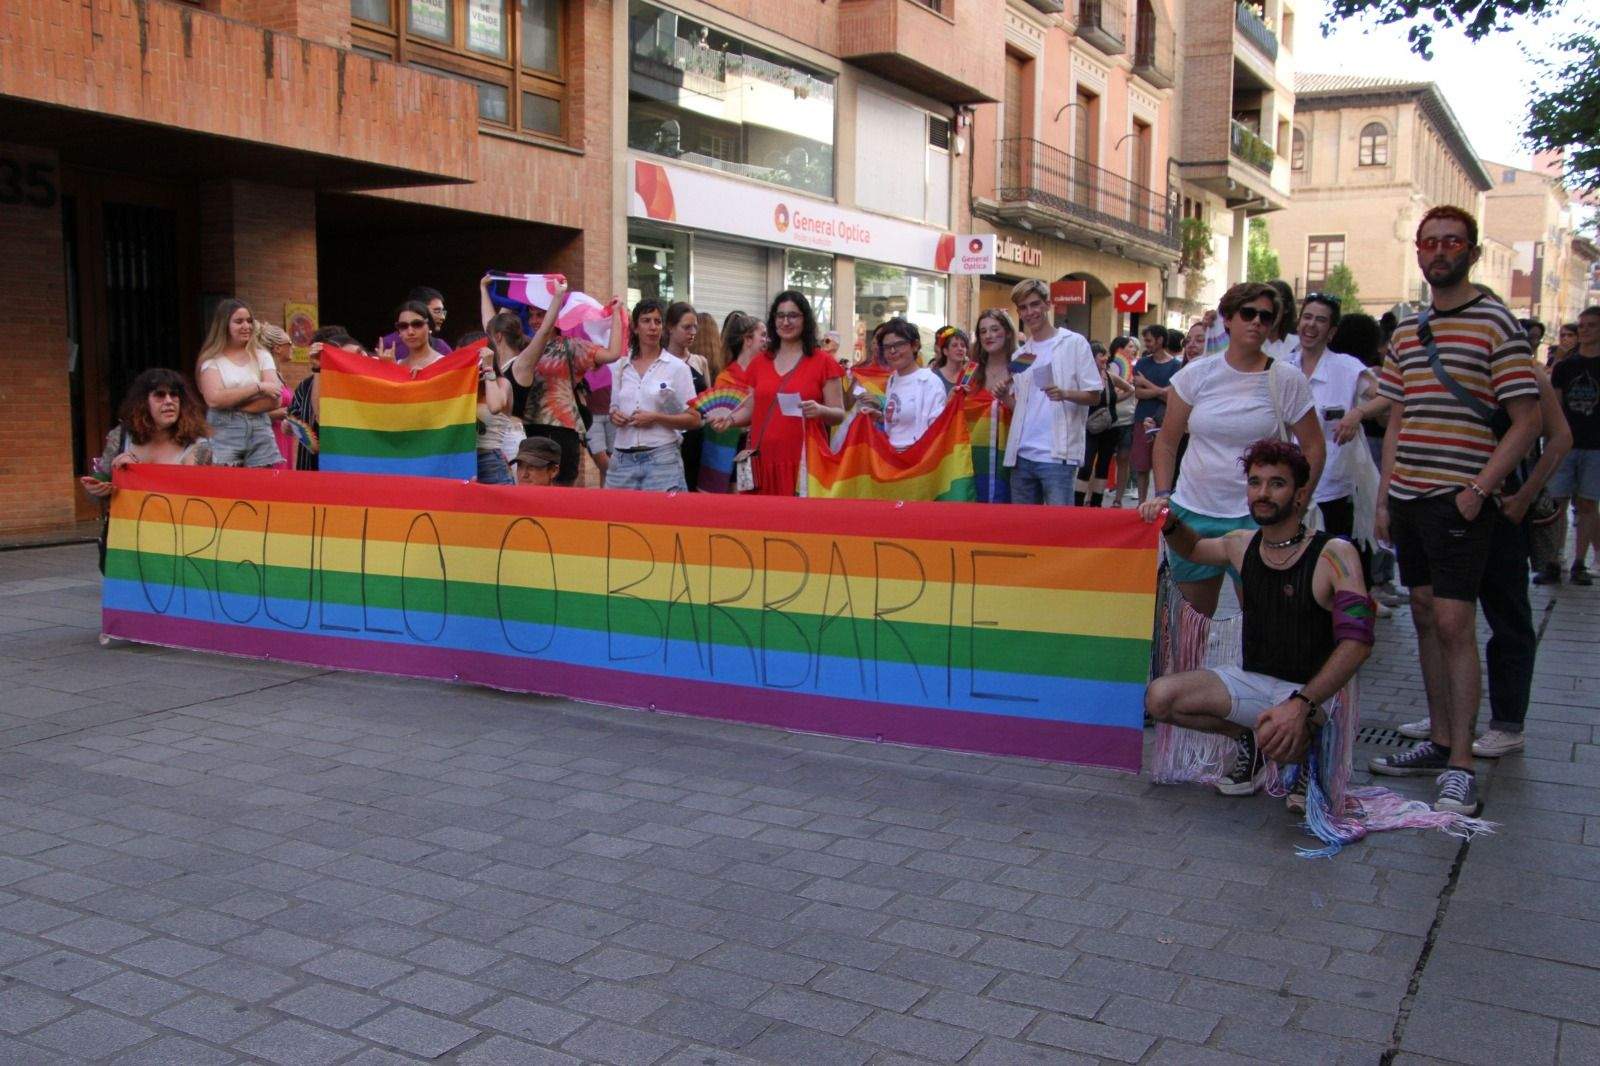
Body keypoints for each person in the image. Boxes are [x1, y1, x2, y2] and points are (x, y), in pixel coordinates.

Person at [1367, 205, 1543, 817]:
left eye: (1452, 241)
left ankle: (1463, 761)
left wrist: (1479, 489)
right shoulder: (1408, 329)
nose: (1440, 250)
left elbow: (1529, 420)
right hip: (1412, 498)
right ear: (1418, 252)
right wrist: (1386, 495)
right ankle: (1441, 740)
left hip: (1458, 499)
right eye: (1430, 241)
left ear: (1470, 251)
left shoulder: (1496, 323)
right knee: (1421, 614)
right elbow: (1397, 417)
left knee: (1453, 623)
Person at [1145, 439, 1372, 806]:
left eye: (1276, 484)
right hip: (1255, 681)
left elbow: (1359, 641)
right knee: (1160, 698)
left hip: (1315, 693)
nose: (1263, 493)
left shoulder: (1335, 554)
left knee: (1304, 807)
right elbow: (1193, 549)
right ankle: (1253, 742)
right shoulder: (1240, 544)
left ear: (1300, 495)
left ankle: (1312, 754)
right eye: (1255, 482)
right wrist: (1169, 521)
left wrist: (1303, 702)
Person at [1398, 361, 1570, 757]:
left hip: (1500, 510)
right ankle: (1448, 717)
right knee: (1445, 617)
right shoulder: (1440, 360)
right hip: (1446, 509)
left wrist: (1525, 496)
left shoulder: (1524, 371)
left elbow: (1560, 438)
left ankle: (1507, 722)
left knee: (1507, 616)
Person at [1139, 283, 1324, 618]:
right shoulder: (1197, 374)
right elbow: (1167, 441)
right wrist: (1164, 492)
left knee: (1265, 623)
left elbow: (1313, 446)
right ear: (1227, 319)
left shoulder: (1286, 378)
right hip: (1193, 511)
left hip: (1258, 516)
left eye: (1266, 317)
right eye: (1248, 313)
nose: (1257, 322)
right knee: (1188, 627)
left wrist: (1298, 504)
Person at [721, 291, 846, 496]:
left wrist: (820, 410)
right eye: (780, 316)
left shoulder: (823, 362)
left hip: (805, 464)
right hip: (762, 462)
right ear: (773, 320)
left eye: (793, 316)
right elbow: (751, 410)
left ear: (805, 319)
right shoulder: (759, 363)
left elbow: (838, 414)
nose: (786, 322)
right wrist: (729, 420)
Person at [507, 282, 625, 487]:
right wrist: (485, 290)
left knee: (560, 493)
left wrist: (616, 314)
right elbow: (494, 329)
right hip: (526, 429)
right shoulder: (524, 346)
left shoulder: (571, 346)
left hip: (560, 430)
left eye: (540, 314)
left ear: (554, 315)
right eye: (531, 315)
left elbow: (613, 353)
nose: (534, 320)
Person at [1001, 279, 1101, 506]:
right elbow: (1023, 409)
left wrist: (1065, 393)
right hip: (1022, 455)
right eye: (1023, 307)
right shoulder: (1021, 355)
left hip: (1058, 455)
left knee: (1059, 531)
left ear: (1048, 305)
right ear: (1018, 312)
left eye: (1035, 305)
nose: (1030, 312)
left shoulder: (1073, 343)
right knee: (1025, 531)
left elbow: (1094, 395)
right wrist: (1005, 397)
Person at [1293, 294, 1375, 544]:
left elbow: (1390, 396)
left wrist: (1358, 413)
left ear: (1331, 331)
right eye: (1307, 317)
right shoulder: (1283, 366)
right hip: (1287, 486)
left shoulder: (1348, 368)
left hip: (1332, 490)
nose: (1311, 325)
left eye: (1320, 320)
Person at [608, 298, 702, 491]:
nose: (652, 327)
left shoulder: (677, 368)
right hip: (622, 455)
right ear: (635, 327)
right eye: (646, 321)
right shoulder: (621, 366)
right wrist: (614, 415)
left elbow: (695, 419)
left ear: (663, 328)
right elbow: (615, 407)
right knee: (615, 516)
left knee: (664, 518)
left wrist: (657, 418)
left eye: (657, 321)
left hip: (662, 456)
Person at [82, 368, 213, 498]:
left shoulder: (197, 444)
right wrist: (97, 485)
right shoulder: (121, 436)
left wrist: (135, 472)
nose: (169, 401)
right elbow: (102, 475)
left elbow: (193, 492)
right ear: (143, 402)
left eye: (174, 395)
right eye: (160, 395)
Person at [196, 299, 285, 468]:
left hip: (260, 430)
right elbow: (214, 399)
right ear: (224, 325)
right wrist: (258, 387)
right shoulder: (211, 360)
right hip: (224, 433)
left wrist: (231, 404)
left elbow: (275, 399)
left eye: (249, 321)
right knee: (227, 486)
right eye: (239, 321)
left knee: (262, 486)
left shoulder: (262, 356)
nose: (246, 326)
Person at [1546, 305, 1600, 584]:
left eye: (1591, 325)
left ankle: (1580, 562)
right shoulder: (1566, 367)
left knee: (1588, 504)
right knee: (1558, 503)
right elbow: (1554, 404)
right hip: (1566, 443)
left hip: (1596, 445)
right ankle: (1554, 560)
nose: (1585, 330)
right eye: (1582, 325)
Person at [287, 326, 364, 472]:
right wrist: (290, 425)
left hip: (347, 465)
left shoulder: (360, 382)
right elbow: (294, 416)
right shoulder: (306, 385)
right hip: (310, 465)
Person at [1075, 341, 1134, 506]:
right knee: (1085, 465)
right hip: (1089, 428)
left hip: (1110, 427)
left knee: (1103, 465)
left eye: (1106, 354)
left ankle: (1096, 503)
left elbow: (1130, 389)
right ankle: (1078, 503)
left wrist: (1112, 401)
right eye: (1101, 355)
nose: (1105, 358)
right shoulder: (1083, 377)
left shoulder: (1109, 376)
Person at [872, 319, 948, 449]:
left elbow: (937, 430)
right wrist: (880, 417)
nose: (892, 351)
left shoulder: (930, 381)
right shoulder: (892, 380)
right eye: (887, 347)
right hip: (892, 459)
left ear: (915, 346)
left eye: (899, 344)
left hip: (917, 460)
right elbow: (898, 423)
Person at [1130, 329, 1185, 504]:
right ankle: (1141, 503)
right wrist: (1161, 391)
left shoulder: (1176, 366)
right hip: (1142, 418)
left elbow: (1171, 396)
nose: (1146, 344)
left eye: (1149, 340)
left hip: (1166, 420)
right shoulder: (1142, 364)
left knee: (1163, 463)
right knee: (1142, 465)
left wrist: (1147, 384)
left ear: (1160, 340)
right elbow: (1138, 393)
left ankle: (1159, 502)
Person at [664, 302, 710, 491]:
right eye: (686, 327)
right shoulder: (661, 362)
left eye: (694, 327)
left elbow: (709, 398)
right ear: (670, 328)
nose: (692, 332)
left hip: (698, 434)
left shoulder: (700, 361)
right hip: (671, 434)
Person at [254, 323, 297, 467]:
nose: (294, 347)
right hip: (270, 439)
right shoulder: (262, 376)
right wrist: (280, 413)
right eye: (290, 343)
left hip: (283, 436)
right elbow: (249, 414)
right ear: (277, 348)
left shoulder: (278, 375)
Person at [1108, 334, 1142, 506]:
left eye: (1133, 347)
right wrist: (1128, 391)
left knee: (1124, 458)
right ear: (1119, 348)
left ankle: (1118, 499)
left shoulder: (1136, 368)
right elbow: (1110, 394)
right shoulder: (1109, 368)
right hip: (1109, 420)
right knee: (1105, 459)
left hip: (1128, 419)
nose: (1133, 349)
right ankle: (1093, 495)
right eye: (1129, 346)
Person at [377, 286, 452, 357]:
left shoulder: (441, 347)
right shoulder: (387, 345)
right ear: (420, 308)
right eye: (437, 311)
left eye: (417, 325)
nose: (442, 317)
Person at [380, 300, 447, 373]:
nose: (410, 332)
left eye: (417, 324)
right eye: (403, 326)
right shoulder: (398, 363)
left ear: (429, 326)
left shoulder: (444, 364)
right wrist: (391, 369)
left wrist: (424, 378)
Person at [1263, 279, 1299, 360]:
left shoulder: (1298, 345)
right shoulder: (1250, 342)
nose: (1269, 311)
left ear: (1286, 308)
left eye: (1275, 305)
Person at [930, 327, 971, 393]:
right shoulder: (934, 376)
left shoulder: (970, 374)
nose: (960, 348)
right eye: (955, 345)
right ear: (945, 351)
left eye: (963, 345)